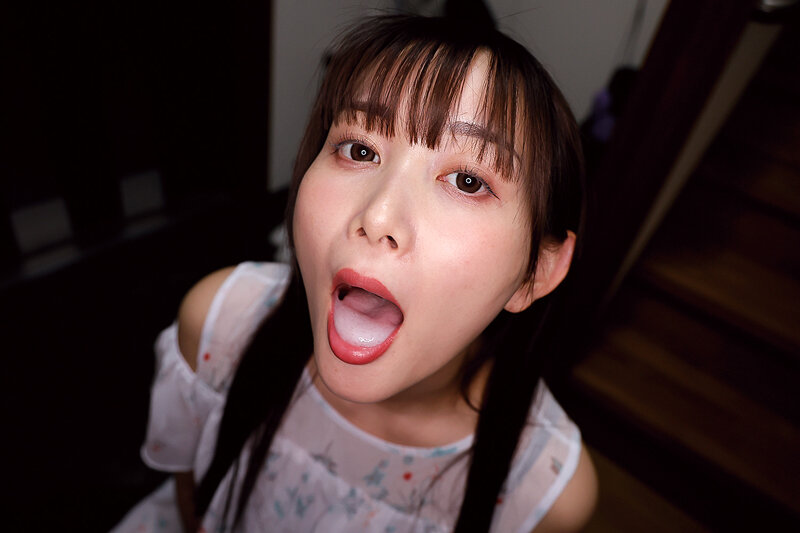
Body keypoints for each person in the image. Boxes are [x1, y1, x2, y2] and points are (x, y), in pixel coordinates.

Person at [112, 14, 597, 533]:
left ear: (534, 273)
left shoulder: (543, 491)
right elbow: (191, 505)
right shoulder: (218, 325)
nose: (379, 215)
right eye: (360, 150)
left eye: (467, 181)